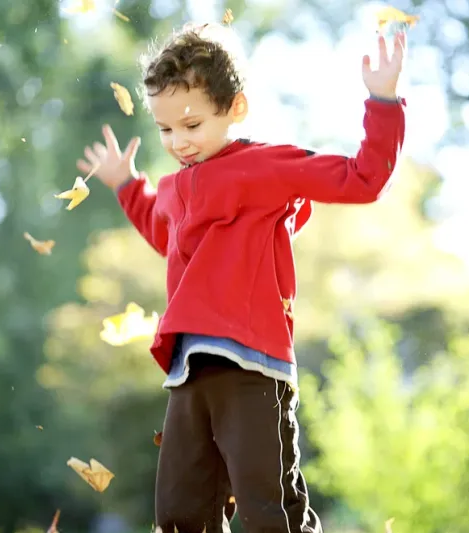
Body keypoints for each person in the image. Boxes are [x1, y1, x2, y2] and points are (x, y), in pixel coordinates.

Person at [76, 21, 407, 533]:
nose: (179, 142)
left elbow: (364, 178)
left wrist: (383, 102)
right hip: (189, 370)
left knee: (266, 511)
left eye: (192, 126)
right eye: (165, 130)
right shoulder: (173, 187)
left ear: (236, 109)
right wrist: (127, 186)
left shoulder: (265, 166)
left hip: (253, 367)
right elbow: (166, 237)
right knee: (181, 512)